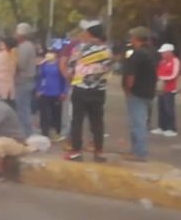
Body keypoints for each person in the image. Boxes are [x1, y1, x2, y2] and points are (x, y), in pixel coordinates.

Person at [65, 21, 113, 162]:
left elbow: (70, 68)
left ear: (89, 33)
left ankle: (76, 151)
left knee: (77, 121)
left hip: (80, 89)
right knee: (97, 122)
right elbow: (108, 70)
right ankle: (98, 152)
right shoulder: (107, 51)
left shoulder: (79, 49)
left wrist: (73, 79)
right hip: (99, 91)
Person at [122, 27, 158, 162]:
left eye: (132, 36)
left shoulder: (137, 54)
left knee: (137, 123)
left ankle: (139, 153)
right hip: (149, 91)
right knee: (141, 122)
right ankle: (136, 150)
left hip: (137, 92)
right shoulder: (153, 52)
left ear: (136, 38)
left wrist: (127, 90)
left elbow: (131, 75)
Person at [37, 44, 66, 141]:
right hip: (45, 92)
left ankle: (56, 132)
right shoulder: (44, 65)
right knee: (44, 113)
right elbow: (40, 78)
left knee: (56, 113)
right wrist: (39, 89)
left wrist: (63, 91)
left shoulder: (59, 65)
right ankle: (44, 132)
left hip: (56, 92)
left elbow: (63, 79)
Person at [14, 23, 38, 137]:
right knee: (24, 108)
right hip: (27, 81)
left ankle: (25, 133)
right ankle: (25, 132)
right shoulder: (29, 45)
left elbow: (20, 65)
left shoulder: (24, 47)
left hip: (23, 81)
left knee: (22, 109)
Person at [154, 43, 181, 137]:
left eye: (163, 53)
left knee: (169, 109)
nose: (162, 54)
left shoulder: (175, 61)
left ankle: (171, 128)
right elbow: (158, 73)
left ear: (169, 52)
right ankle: (162, 127)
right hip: (161, 89)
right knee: (161, 108)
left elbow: (174, 75)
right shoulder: (162, 62)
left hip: (170, 89)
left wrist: (162, 78)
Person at [0, 37, 17, 106]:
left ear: (7, 45)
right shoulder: (14, 54)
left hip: (1, 88)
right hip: (10, 88)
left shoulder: (0, 55)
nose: (0, 45)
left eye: (2, 44)